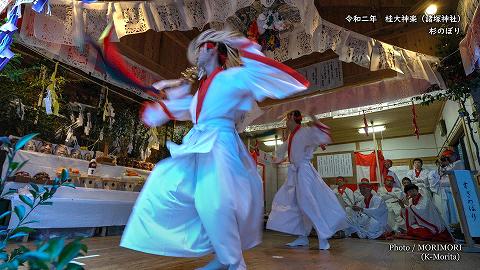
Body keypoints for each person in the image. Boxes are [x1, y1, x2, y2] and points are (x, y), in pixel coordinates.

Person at [120, 29, 310, 270]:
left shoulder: (230, 78)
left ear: (210, 49)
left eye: (199, 48)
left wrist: (244, 44)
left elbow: (256, 72)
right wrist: (160, 111)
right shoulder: (201, 88)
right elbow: (189, 110)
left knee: (214, 202)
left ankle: (232, 261)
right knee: (168, 184)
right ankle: (225, 258)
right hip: (200, 145)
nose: (196, 54)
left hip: (220, 144)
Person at [266, 110, 348, 250]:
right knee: (295, 204)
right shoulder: (292, 135)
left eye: (287, 119)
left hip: (304, 171)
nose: (286, 122)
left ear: (292, 119)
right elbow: (282, 149)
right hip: (295, 172)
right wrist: (277, 159)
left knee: (307, 202)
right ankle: (303, 237)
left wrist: (314, 117)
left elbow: (321, 133)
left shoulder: (304, 132)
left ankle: (323, 236)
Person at [429, 149, 464, 225]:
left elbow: (452, 178)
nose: (447, 159)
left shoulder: (458, 163)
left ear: (453, 156)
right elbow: (436, 183)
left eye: (448, 157)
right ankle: (453, 225)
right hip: (447, 191)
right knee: (449, 210)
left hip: (456, 190)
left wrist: (441, 181)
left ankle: (460, 226)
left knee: (457, 210)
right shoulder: (437, 170)